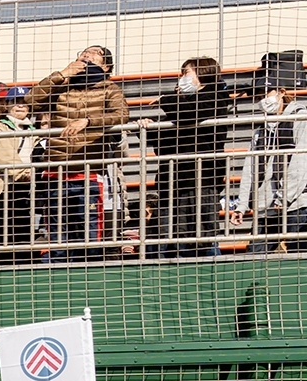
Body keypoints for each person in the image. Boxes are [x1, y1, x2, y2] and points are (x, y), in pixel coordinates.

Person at [27, 45, 127, 255]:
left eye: (96, 53)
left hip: (88, 172)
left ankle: (89, 269)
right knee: (57, 235)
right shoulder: (62, 87)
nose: (87, 55)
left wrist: (88, 121)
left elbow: (121, 115)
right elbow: (29, 102)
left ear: (106, 66)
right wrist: (61, 75)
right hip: (55, 172)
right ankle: (57, 270)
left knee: (88, 234)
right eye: (84, 52)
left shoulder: (110, 89)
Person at [144, 56, 228, 258]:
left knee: (200, 237)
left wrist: (166, 100)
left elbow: (189, 114)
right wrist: (149, 128)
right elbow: (163, 145)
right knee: (167, 236)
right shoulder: (180, 102)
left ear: (203, 73)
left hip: (199, 181)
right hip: (173, 181)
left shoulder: (215, 96)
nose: (182, 77)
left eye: (186, 72)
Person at [228, 52, 306, 251]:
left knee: (298, 257)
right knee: (255, 257)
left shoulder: (300, 119)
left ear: (281, 91)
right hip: (265, 207)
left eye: (266, 93)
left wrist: (283, 197)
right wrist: (242, 205)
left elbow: (300, 164)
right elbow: (250, 168)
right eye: (259, 96)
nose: (263, 100)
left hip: (296, 206)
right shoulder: (260, 130)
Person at [0, 86, 40, 259]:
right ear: (6, 105)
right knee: (8, 229)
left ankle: (25, 262)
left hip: (30, 185)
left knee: (26, 229)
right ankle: (4, 264)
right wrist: (24, 173)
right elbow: (2, 156)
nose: (20, 105)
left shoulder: (32, 128)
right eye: (15, 102)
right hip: (8, 185)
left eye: (24, 102)